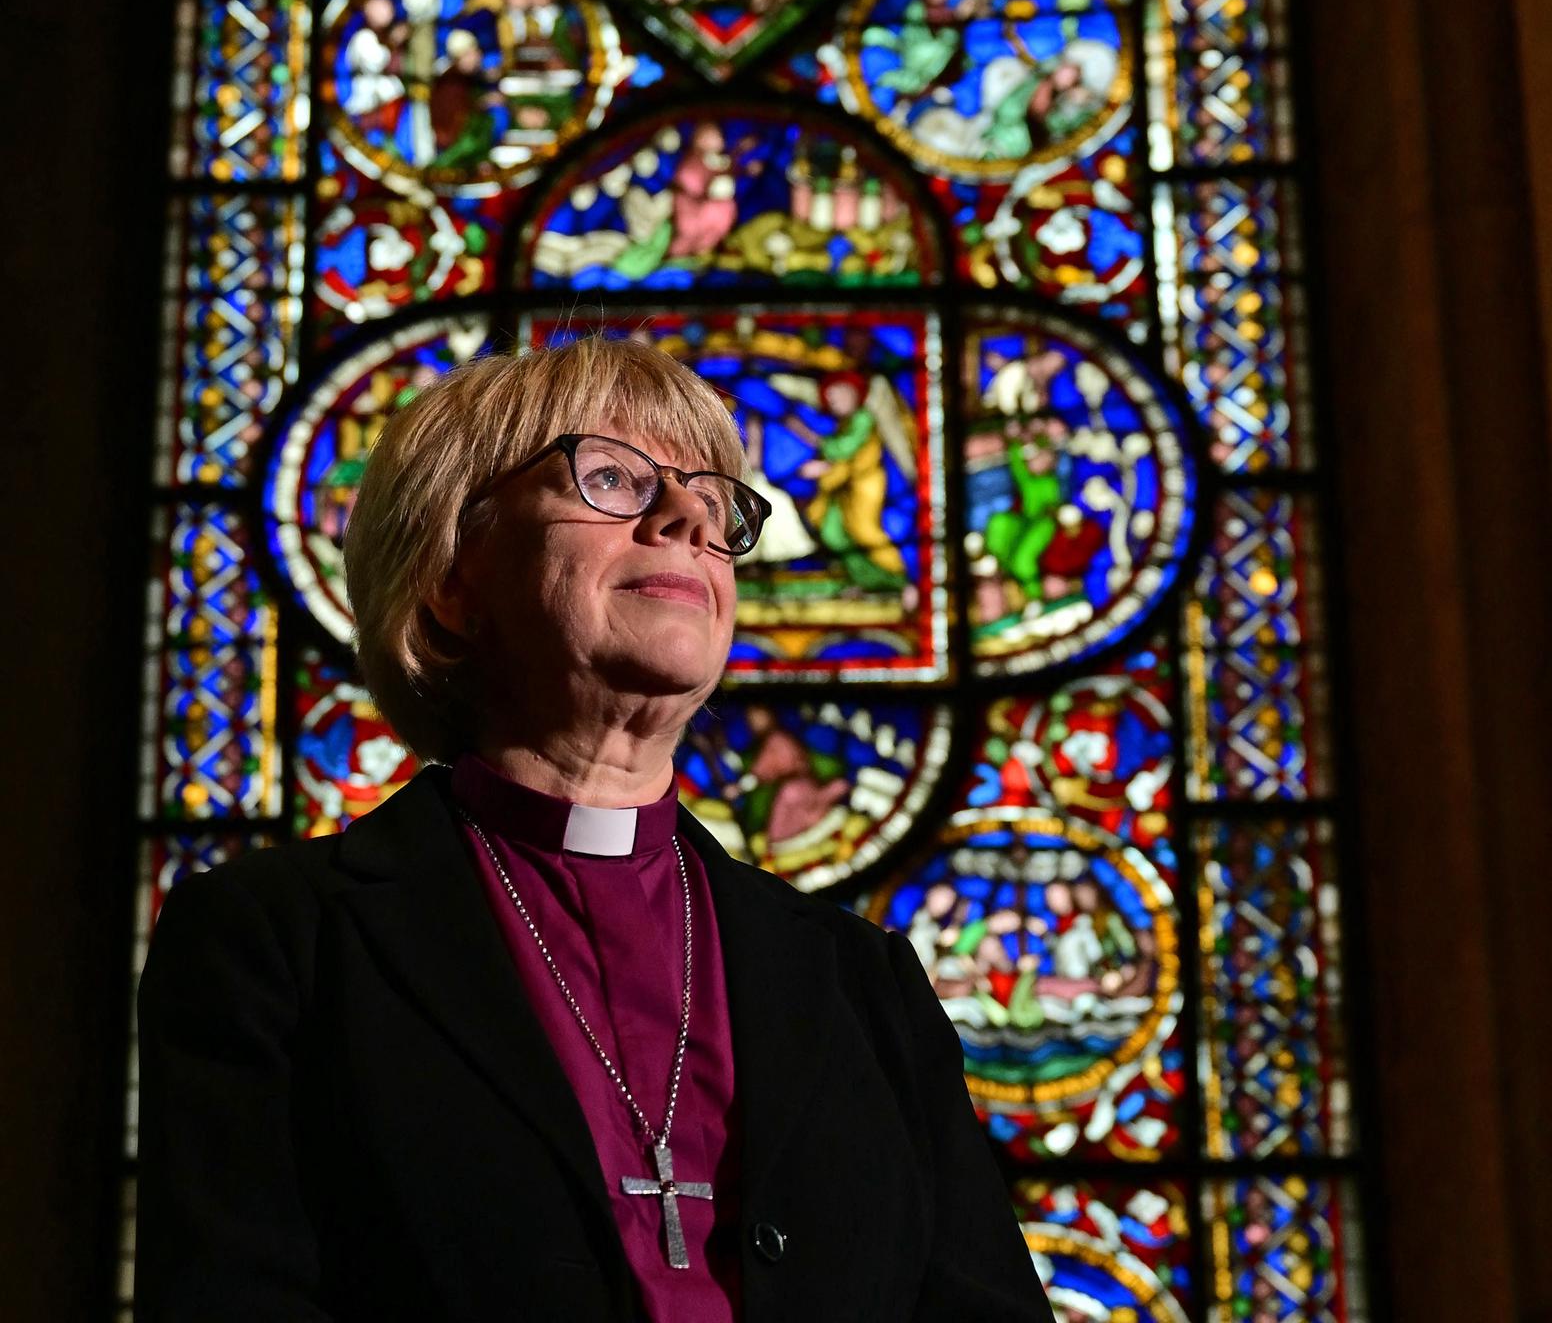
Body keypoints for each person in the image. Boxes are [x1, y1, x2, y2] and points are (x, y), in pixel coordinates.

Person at [135, 334, 1050, 1322]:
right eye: (612, 477)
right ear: (452, 581)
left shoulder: (859, 983)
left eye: (711, 499)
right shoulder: (279, 943)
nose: (687, 517)